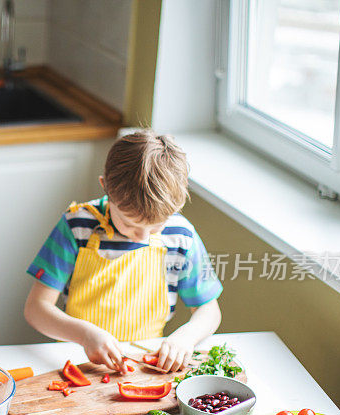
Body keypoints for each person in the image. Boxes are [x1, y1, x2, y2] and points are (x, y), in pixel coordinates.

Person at [24, 131, 222, 374]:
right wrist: (85, 335)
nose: (143, 237)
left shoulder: (180, 236)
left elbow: (209, 310)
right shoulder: (78, 226)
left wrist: (185, 338)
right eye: (128, 224)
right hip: (78, 359)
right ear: (105, 188)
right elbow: (36, 309)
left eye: (156, 227)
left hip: (146, 365)